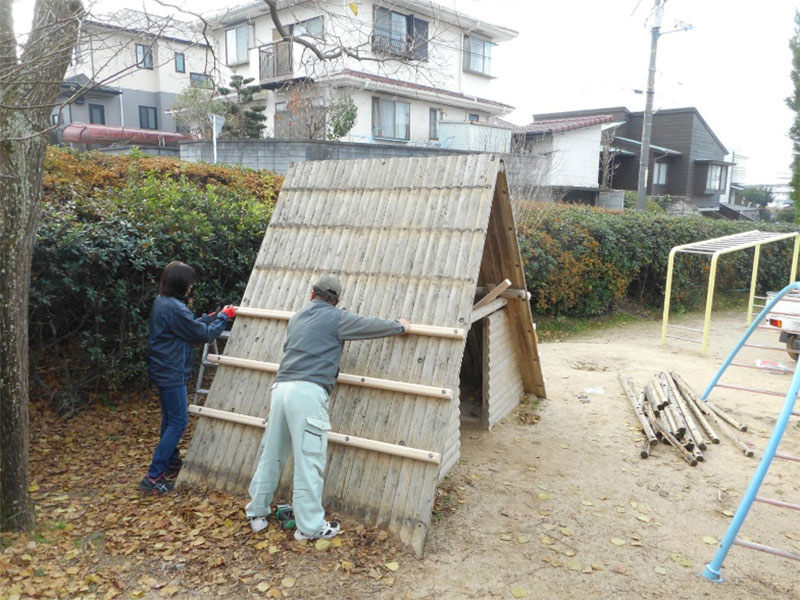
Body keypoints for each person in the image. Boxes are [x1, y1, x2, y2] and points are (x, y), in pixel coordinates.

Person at [246, 274, 409, 540]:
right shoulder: (336, 318)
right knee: (310, 459)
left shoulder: (297, 317)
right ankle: (310, 527)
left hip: (281, 388)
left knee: (272, 453)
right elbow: (369, 326)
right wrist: (400, 326)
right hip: (308, 393)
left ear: (312, 294)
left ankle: (257, 512)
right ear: (337, 300)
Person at [140, 261, 237, 494]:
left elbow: (188, 326)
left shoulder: (163, 302)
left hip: (164, 369)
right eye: (190, 284)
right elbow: (202, 334)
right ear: (181, 284)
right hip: (172, 372)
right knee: (179, 421)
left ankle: (170, 461)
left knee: (170, 419)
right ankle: (153, 477)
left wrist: (212, 315)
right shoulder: (175, 307)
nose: (191, 287)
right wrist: (223, 318)